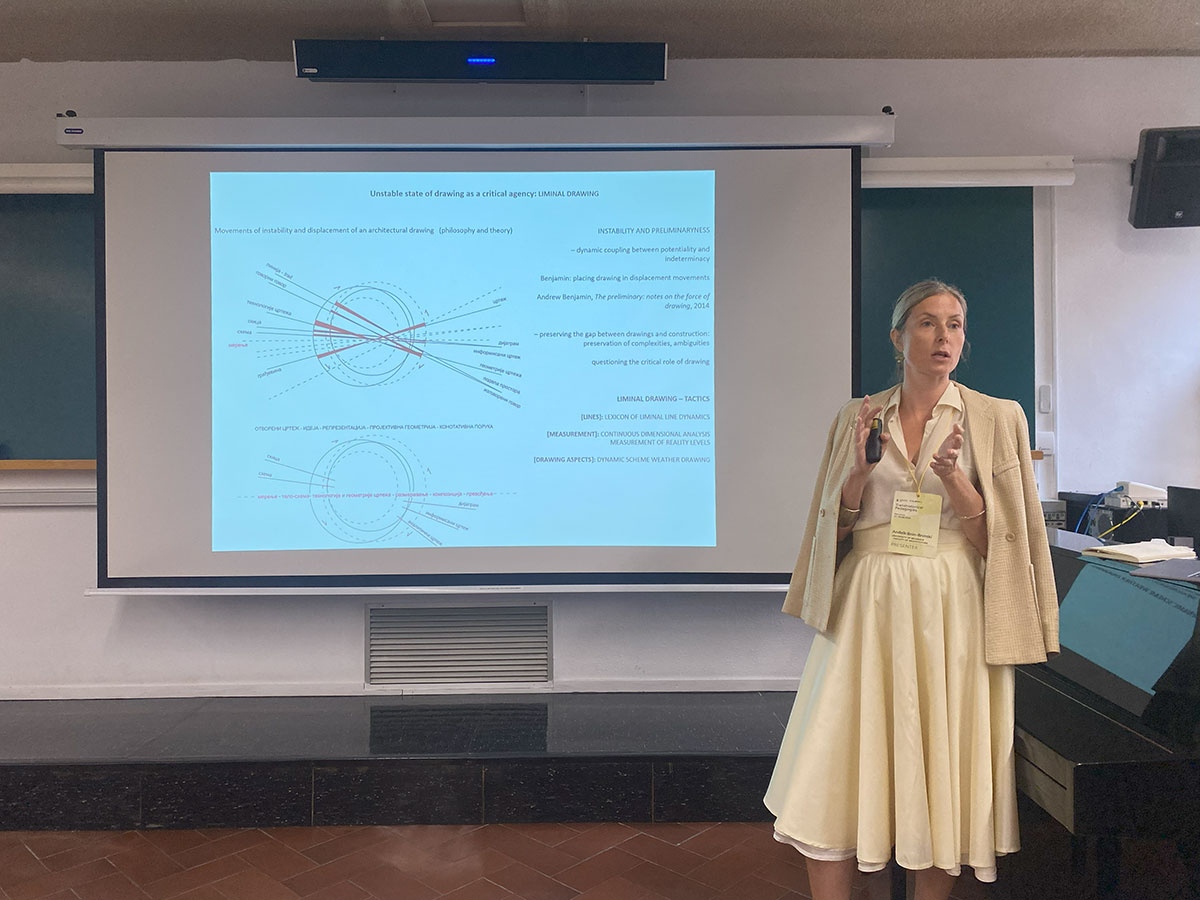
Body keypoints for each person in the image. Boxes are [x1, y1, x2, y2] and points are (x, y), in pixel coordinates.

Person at [763, 280, 1059, 900]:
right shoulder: (858, 415)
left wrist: (956, 482)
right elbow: (831, 530)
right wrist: (857, 476)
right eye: (927, 323)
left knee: (943, 765)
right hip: (867, 602)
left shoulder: (997, 417)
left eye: (954, 324)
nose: (943, 336)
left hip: (956, 607)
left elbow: (1006, 547)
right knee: (834, 756)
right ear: (898, 337)